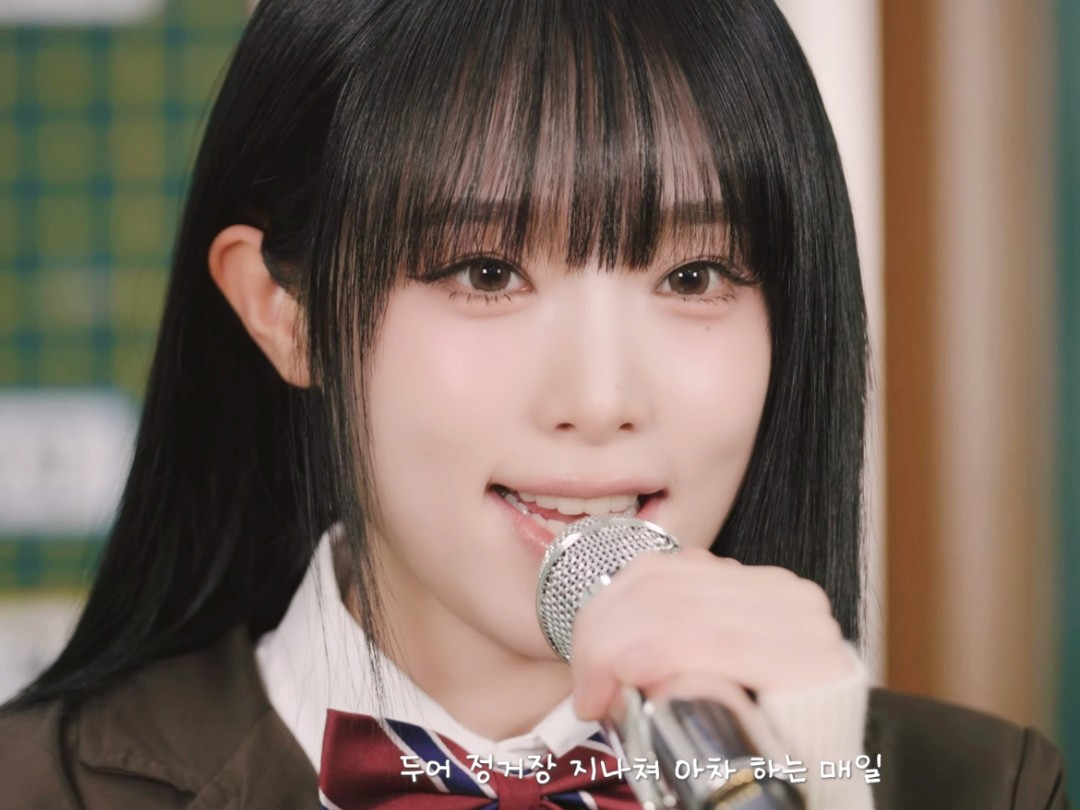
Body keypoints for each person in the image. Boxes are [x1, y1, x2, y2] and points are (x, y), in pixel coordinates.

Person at [0, 1, 1070, 808]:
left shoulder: (986, 786)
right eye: (486, 273)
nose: (600, 401)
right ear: (288, 314)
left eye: (694, 277)